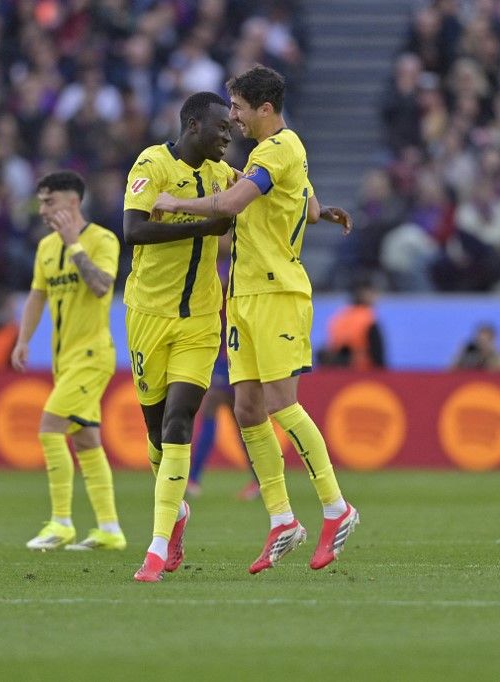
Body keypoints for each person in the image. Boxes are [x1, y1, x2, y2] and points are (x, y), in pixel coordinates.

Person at [153, 65, 359, 575]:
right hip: (241, 295)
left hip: (277, 294)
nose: (234, 118)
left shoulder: (276, 151)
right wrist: (322, 211)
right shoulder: (279, 154)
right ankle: (282, 519)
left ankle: (337, 507)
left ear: (265, 108)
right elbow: (305, 206)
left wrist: (174, 202)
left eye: (240, 108)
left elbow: (230, 203)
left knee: (281, 405)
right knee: (247, 408)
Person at [121, 92, 237, 582]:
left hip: (201, 319)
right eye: (220, 130)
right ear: (193, 126)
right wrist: (205, 227)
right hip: (149, 314)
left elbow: (268, 190)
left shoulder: (223, 176)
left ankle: (156, 545)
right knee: (154, 432)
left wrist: (316, 208)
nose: (227, 139)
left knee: (178, 421)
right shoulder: (152, 163)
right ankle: (178, 513)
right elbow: (134, 230)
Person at [11, 171, 125, 553]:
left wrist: (75, 246)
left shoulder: (102, 239)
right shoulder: (45, 248)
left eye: (50, 202)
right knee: (87, 440)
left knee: (49, 428)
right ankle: (109, 529)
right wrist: (23, 340)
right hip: (65, 360)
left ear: (73, 202)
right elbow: (36, 296)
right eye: (40, 202)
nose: (42, 209)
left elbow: (102, 286)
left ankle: (61, 522)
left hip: (93, 355)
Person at [187, 234, 260, 501]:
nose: (220, 239)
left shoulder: (236, 265)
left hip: (233, 349)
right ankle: (260, 479)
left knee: (225, 411)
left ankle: (194, 478)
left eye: (224, 234)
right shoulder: (212, 264)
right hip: (219, 350)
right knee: (238, 416)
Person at [318, 279, 386, 369]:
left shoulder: (339, 317)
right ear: (365, 293)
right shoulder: (368, 319)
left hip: (338, 373)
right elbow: (378, 355)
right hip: (364, 374)